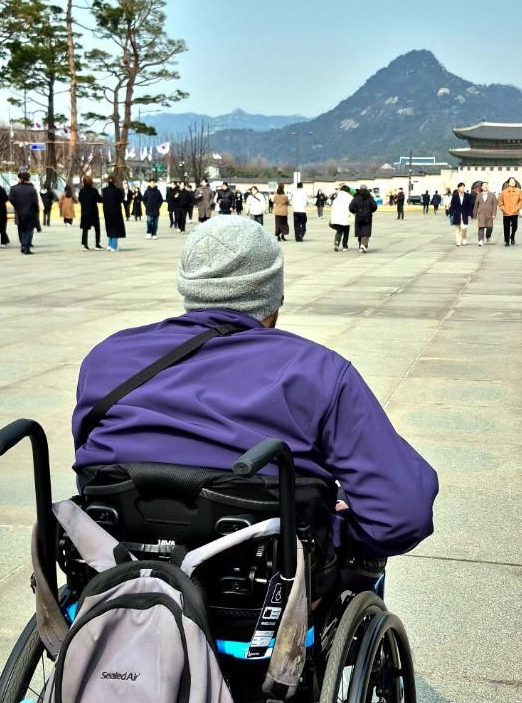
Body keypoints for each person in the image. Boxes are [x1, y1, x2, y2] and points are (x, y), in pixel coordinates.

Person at [72, 217, 439, 562]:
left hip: (125, 563)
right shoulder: (317, 371)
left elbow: (90, 460)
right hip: (268, 580)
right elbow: (403, 513)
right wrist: (332, 535)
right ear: (274, 298)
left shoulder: (108, 357)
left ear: (188, 286)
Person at [8, 169, 40, 254]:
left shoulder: (14, 188)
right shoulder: (32, 189)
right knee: (29, 230)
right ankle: (26, 247)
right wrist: (36, 211)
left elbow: (10, 198)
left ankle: (23, 245)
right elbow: (35, 202)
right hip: (30, 212)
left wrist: (16, 205)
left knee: (22, 229)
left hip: (19, 211)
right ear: (28, 179)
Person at [349, 184, 377, 253]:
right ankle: (364, 245)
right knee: (366, 232)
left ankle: (361, 246)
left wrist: (355, 212)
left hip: (358, 216)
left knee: (360, 232)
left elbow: (351, 207)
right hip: (367, 217)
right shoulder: (370, 197)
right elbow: (374, 206)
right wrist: (370, 211)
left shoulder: (356, 197)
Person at [102, 176, 127, 251]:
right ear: (115, 182)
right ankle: (114, 246)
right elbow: (121, 200)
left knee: (109, 226)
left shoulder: (104, 191)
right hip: (116, 211)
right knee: (115, 228)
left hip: (107, 211)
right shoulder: (118, 191)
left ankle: (109, 244)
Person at [498, 178, 522, 246]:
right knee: (506, 227)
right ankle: (507, 241)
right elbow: (500, 201)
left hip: (515, 212)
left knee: (515, 226)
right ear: (508, 183)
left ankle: (512, 236)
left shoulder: (519, 191)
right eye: (511, 181)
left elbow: (521, 201)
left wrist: (517, 208)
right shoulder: (504, 192)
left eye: (514, 181)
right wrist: (503, 208)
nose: (513, 182)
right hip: (506, 213)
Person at [79, 175, 103, 250]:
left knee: (85, 229)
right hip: (93, 212)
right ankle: (97, 244)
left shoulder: (81, 191)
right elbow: (100, 200)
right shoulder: (94, 191)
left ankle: (85, 245)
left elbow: (79, 200)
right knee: (97, 228)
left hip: (85, 212)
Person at [329, 184, 353, 250]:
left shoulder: (337, 196)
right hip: (346, 217)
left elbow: (333, 206)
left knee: (339, 231)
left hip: (338, 217)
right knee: (346, 232)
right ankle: (345, 246)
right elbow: (352, 207)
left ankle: (336, 243)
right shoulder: (350, 197)